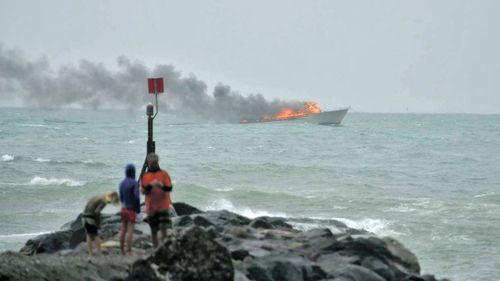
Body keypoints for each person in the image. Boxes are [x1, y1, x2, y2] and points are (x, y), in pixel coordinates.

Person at [141, 153, 173, 248]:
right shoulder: (145, 176)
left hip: (163, 207)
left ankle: (164, 248)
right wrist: (151, 185)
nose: (153, 164)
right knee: (154, 231)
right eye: (151, 163)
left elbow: (169, 188)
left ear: (157, 162)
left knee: (164, 230)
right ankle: (156, 249)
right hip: (151, 208)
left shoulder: (164, 174)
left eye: (154, 163)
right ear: (148, 163)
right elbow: (143, 191)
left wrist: (161, 185)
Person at [82, 191, 119, 257]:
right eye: (113, 201)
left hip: (84, 216)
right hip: (90, 217)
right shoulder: (104, 201)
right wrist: (98, 222)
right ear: (112, 197)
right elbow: (97, 212)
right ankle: (99, 251)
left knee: (88, 235)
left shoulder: (99, 196)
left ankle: (90, 253)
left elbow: (89, 205)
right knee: (96, 235)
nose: (111, 203)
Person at [119, 163, 140, 256]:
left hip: (123, 208)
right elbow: (136, 197)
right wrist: (138, 208)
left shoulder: (122, 183)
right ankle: (129, 250)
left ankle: (121, 250)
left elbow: (121, 198)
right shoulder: (134, 183)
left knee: (123, 229)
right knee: (130, 230)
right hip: (131, 209)